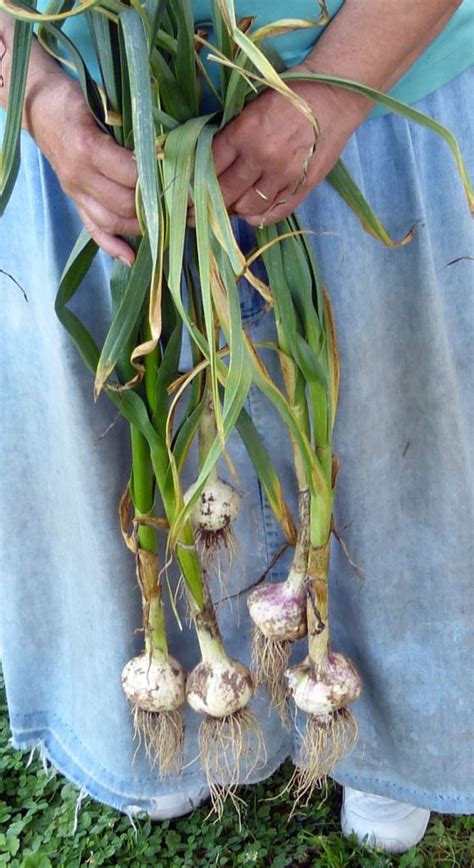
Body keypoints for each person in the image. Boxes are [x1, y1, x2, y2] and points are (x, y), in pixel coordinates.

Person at [1, 0, 472, 853]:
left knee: (391, 408)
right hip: (99, 111)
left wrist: (341, 92)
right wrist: (32, 92)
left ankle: (396, 737)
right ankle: (166, 726)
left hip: (370, 64)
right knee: (130, 419)